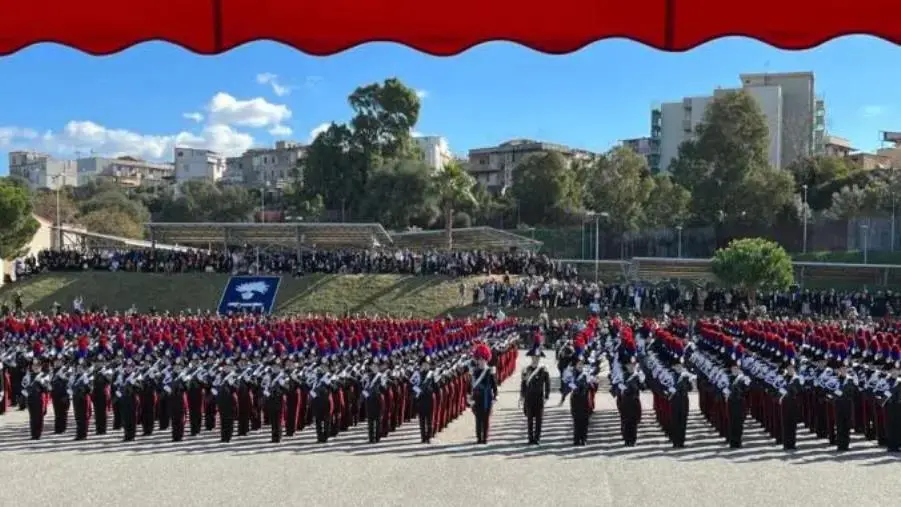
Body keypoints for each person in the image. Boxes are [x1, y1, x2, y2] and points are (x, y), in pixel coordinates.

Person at [520, 345, 550, 445]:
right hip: (529, 397)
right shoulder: (526, 370)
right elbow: (523, 384)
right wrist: (522, 396)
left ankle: (537, 438)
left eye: (537, 358)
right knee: (529, 419)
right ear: (531, 358)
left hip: (539, 397)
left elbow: (548, 383)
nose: (536, 359)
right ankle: (530, 437)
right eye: (534, 357)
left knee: (539, 419)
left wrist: (547, 396)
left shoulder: (543, 369)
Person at [469, 343, 497, 444]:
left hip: (487, 397)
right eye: (479, 359)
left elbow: (494, 385)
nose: (481, 361)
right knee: (478, 418)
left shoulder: (490, 371)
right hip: (477, 397)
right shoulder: (475, 372)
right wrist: (470, 397)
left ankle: (485, 437)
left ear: (486, 359)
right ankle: (478, 437)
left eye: (483, 359)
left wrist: (495, 396)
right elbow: (471, 386)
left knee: (486, 418)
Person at [725, 353, 750, 449]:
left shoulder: (743, 379)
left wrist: (747, 384)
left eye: (736, 368)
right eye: (733, 368)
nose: (734, 370)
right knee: (731, 423)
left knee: (739, 423)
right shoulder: (728, 378)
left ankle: (738, 442)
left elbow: (747, 391)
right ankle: (732, 442)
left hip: (740, 402)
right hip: (731, 402)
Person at [23, 354, 50, 440]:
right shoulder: (29, 375)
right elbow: (24, 385)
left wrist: (42, 382)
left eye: (37, 366)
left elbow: (48, 388)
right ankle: (33, 433)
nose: (35, 367)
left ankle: (38, 434)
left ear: (41, 366)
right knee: (32, 416)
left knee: (39, 416)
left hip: (39, 398)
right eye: (34, 365)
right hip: (31, 398)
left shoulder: (44, 375)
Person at [413, 354, 436, 444]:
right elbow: (412, 386)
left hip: (429, 398)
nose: (426, 366)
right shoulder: (417, 374)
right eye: (424, 364)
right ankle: (423, 437)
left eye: (427, 364)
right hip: (421, 399)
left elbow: (435, 386)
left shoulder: (431, 374)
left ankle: (428, 437)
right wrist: (418, 391)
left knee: (429, 419)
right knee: (422, 420)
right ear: (421, 365)